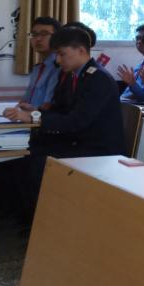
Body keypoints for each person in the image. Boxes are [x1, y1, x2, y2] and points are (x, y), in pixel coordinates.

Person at [9, 26, 124, 221]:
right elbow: (60, 109)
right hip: (77, 141)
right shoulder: (74, 75)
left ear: (81, 50)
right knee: (27, 153)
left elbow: (76, 121)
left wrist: (34, 118)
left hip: (97, 149)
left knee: (39, 163)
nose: (58, 60)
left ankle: (47, 221)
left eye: (62, 54)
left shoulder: (99, 79)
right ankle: (29, 218)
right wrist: (34, 111)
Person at [14, 16, 61, 111]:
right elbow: (25, 100)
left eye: (44, 34)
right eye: (34, 34)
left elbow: (49, 106)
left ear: (57, 37)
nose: (38, 39)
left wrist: (32, 110)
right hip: (28, 116)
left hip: (41, 118)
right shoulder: (37, 68)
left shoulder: (59, 67)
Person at [117, 23, 144, 97]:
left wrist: (132, 83)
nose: (139, 41)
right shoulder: (139, 66)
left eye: (143, 39)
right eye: (137, 38)